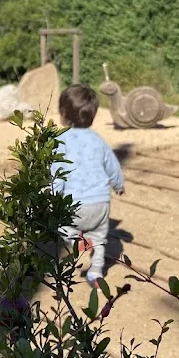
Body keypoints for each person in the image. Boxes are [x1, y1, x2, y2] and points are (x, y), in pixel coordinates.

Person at [51, 85, 124, 288]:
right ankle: (96, 273)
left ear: (63, 114)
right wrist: (118, 185)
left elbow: (57, 173)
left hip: (73, 205)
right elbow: (113, 166)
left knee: (62, 226)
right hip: (100, 203)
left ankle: (76, 242)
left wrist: (52, 197)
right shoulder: (98, 140)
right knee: (100, 239)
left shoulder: (60, 140)